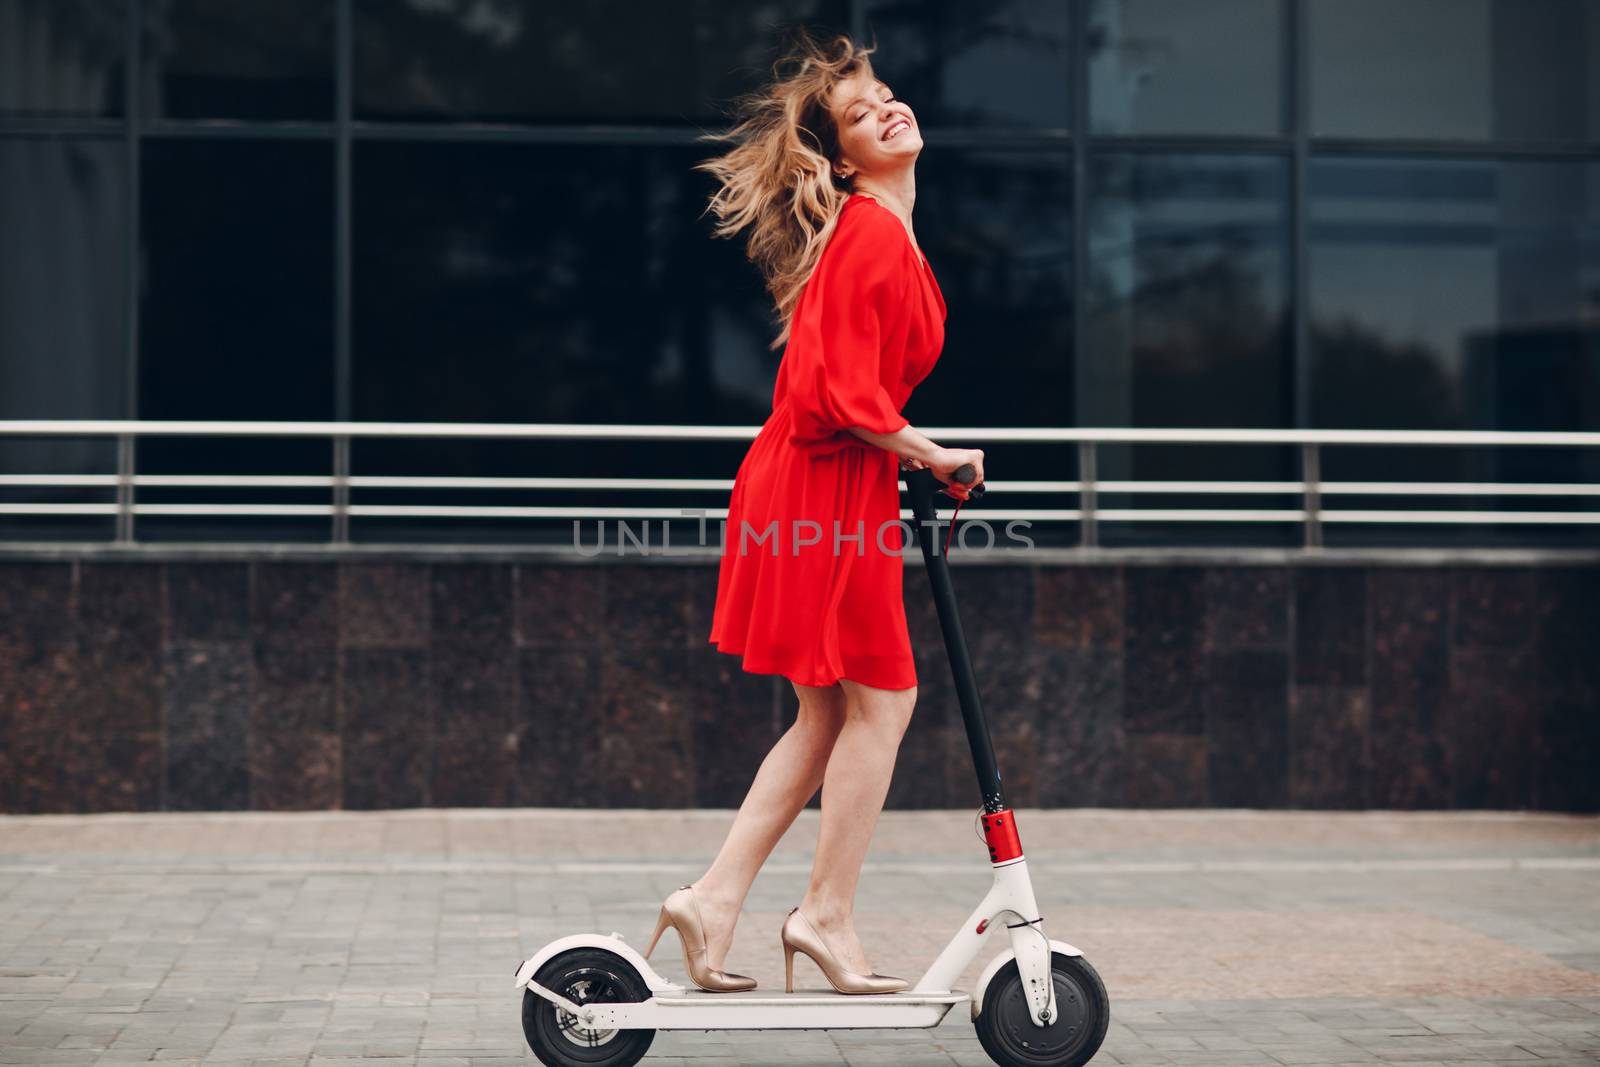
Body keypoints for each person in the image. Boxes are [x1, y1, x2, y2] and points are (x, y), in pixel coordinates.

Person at [641, 29, 984, 996]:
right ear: (842, 157)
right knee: (887, 698)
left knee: (831, 711)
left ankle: (713, 899)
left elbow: (846, 384)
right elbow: (833, 389)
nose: (888, 107)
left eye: (888, 93)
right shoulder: (870, 230)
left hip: (831, 481)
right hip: (819, 483)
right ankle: (824, 915)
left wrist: (910, 450)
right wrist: (928, 449)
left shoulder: (884, 231)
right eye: (861, 110)